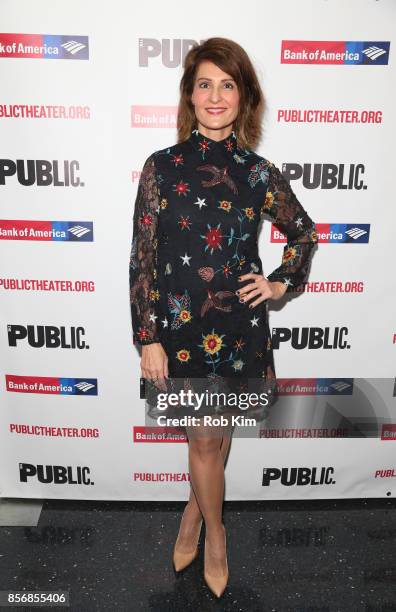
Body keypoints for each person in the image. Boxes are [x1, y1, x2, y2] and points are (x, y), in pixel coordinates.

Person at [129, 37, 318, 598]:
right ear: (190, 94)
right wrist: (148, 337)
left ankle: (193, 516)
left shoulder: (258, 173)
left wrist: (281, 282)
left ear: (244, 98)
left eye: (228, 85)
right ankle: (217, 534)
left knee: (214, 440)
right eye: (205, 84)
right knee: (207, 443)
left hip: (239, 330)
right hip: (180, 334)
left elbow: (303, 233)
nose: (216, 96)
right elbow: (142, 256)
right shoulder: (160, 168)